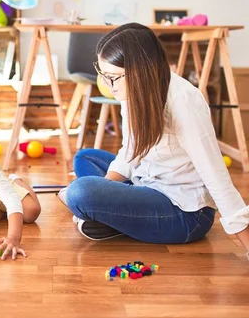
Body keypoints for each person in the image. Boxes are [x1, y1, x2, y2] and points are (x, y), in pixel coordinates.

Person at [62, 23, 249, 257]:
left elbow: (215, 174)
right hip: (145, 182)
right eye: (103, 75)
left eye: (112, 77)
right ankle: (116, 217)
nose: (108, 86)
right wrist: (107, 188)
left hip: (184, 212)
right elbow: (131, 149)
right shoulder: (130, 91)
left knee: (80, 192)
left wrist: (246, 240)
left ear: (140, 70)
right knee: (84, 158)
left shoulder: (183, 101)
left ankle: (110, 217)